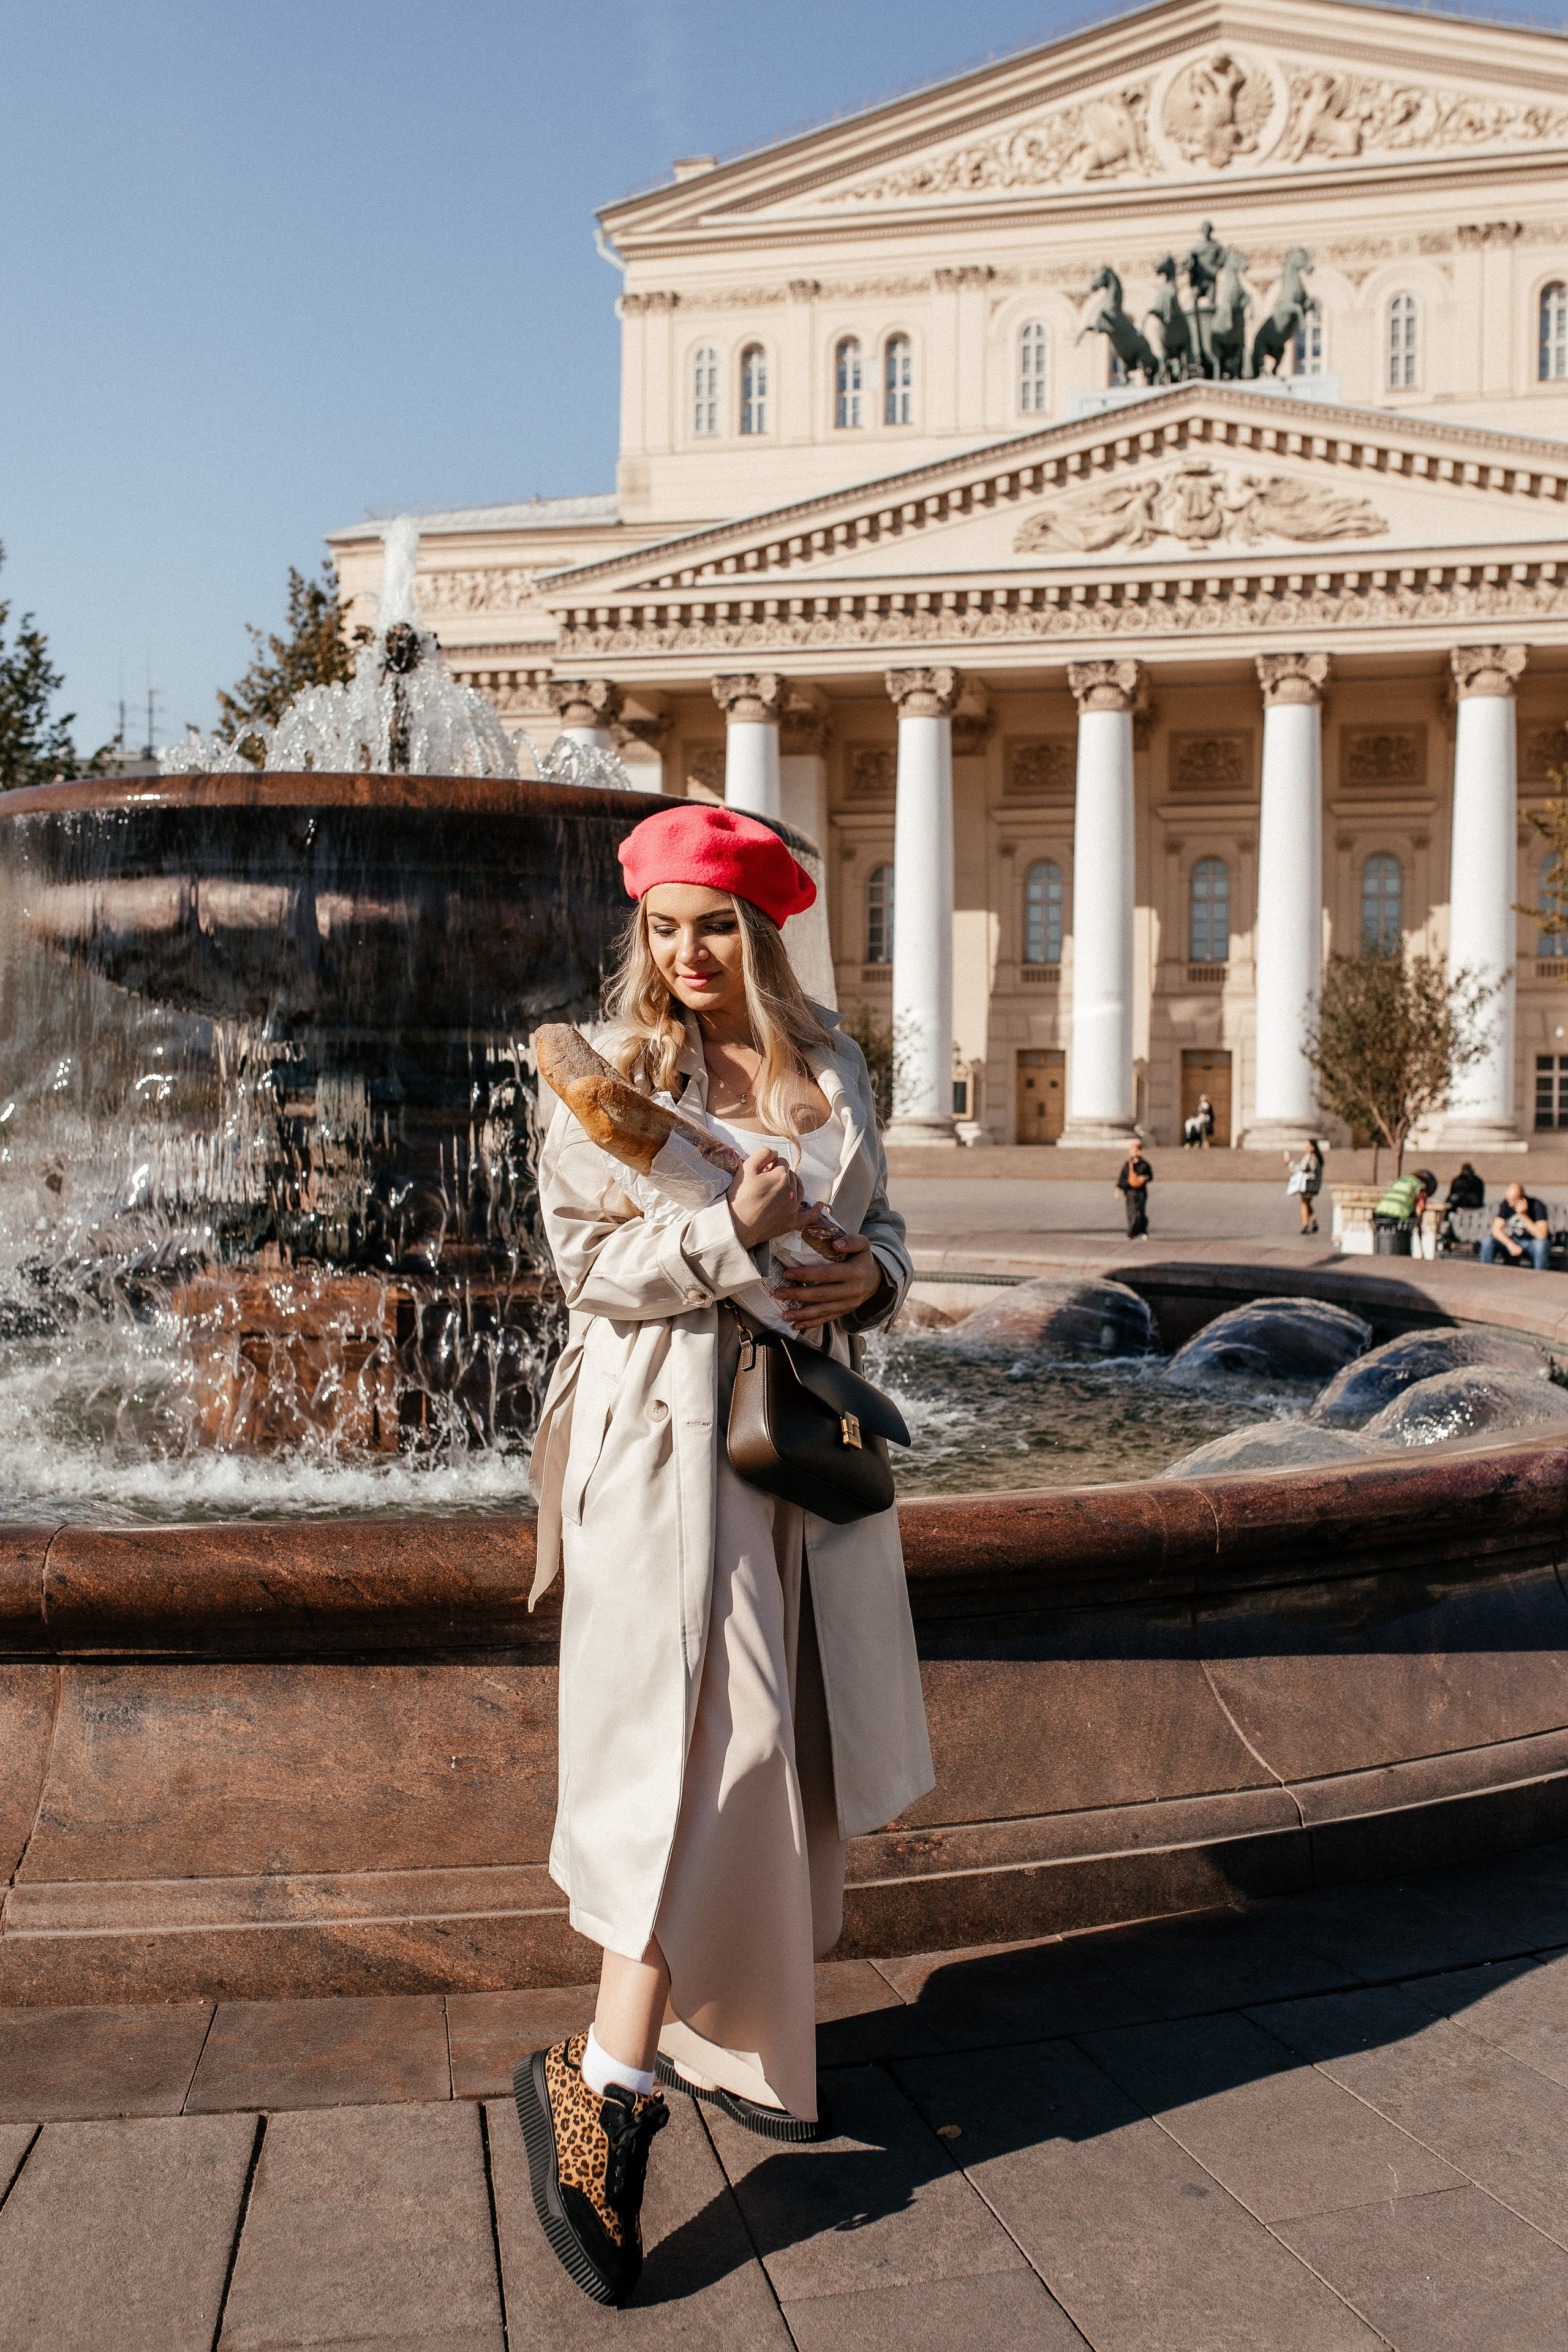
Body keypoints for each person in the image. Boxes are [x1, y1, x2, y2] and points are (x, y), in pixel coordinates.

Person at [516, 803, 933, 2308]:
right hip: (660, 1438)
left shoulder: (831, 1067)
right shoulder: (612, 1073)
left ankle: (713, 2045)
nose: (686, 954)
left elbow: (887, 1233)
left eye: (712, 928)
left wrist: (862, 1274)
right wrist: (729, 1237)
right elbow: (584, 1266)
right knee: (702, 1745)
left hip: (791, 1443)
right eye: (663, 928)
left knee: (762, 1744)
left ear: (758, 935)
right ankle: (604, 2079)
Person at [1481, 1180, 1553, 1270]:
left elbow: (1542, 1235)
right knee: (1487, 1241)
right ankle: (1486, 1272)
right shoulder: (1506, 1204)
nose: (1511, 1205)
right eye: (1509, 1201)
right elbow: (1496, 1230)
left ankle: (1540, 1276)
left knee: (1541, 1245)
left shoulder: (1537, 1205)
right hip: (1514, 1240)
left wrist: (1523, 1216)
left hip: (1531, 1242)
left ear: (1523, 1199)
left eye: (1514, 1201)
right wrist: (1510, 1244)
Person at [1437, 1161, 1486, 1255]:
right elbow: (1481, 1200)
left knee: (1448, 1214)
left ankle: (1448, 1236)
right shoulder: (1478, 1181)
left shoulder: (1457, 1181)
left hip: (1459, 1210)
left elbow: (1451, 1198)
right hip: (1476, 1211)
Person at [1284, 1139, 1325, 1235]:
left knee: (1304, 1203)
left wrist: (1289, 1162)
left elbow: (1299, 1169)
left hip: (1307, 1184)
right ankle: (1314, 1221)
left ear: (1312, 1147)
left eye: (1307, 1146)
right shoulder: (1318, 1158)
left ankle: (1306, 1226)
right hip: (1314, 1184)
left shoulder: (1309, 1157)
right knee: (1308, 1203)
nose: (1306, 1148)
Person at [1116, 1136, 1153, 1238]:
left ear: (1140, 1151)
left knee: (1141, 1211)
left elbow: (1150, 1176)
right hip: (1130, 1191)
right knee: (1131, 1212)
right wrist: (1118, 1190)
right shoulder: (1127, 1165)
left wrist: (1145, 1178)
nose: (1134, 1152)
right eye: (1133, 1150)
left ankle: (1143, 1230)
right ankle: (1132, 1232)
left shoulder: (1144, 1164)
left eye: (1136, 1150)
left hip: (1141, 1192)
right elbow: (1122, 1178)